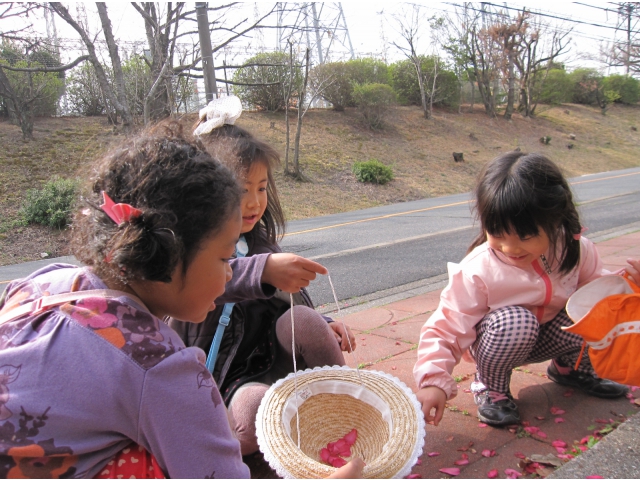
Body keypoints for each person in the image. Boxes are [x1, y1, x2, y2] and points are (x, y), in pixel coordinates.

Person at [0, 122, 363, 479]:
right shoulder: (159, 367)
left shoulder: (43, 282)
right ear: (171, 254)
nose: (229, 275)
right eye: (224, 259)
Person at [169, 96, 356, 456]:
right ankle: (225, 445)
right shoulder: (188, 251)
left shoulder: (260, 243)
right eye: (241, 190)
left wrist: (326, 322)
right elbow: (200, 285)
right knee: (256, 412)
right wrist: (263, 270)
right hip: (223, 382)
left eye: (261, 187)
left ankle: (346, 409)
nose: (254, 202)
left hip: (272, 362)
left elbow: (292, 299)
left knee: (305, 320)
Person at [414, 151, 640, 428]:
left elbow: (599, 294)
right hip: (502, 339)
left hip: (550, 333)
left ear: (555, 221)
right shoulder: (478, 269)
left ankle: (569, 368)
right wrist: (433, 380)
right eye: (497, 234)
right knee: (516, 321)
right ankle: (490, 386)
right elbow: (447, 325)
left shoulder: (575, 249)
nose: (510, 248)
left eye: (525, 236)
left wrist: (629, 288)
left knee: (591, 309)